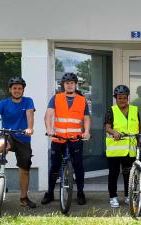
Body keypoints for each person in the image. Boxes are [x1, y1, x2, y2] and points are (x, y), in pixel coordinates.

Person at [0, 76, 36, 208]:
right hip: (8, 134)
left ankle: (24, 198)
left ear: (23, 90)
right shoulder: (4, 103)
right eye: (14, 88)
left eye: (20, 88)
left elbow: (30, 115)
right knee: (1, 145)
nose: (17, 90)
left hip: (23, 137)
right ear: (10, 90)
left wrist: (29, 128)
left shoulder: (28, 101)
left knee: (24, 170)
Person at [41, 72, 91, 205]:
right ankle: (50, 193)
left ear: (75, 84)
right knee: (55, 167)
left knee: (78, 166)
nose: (69, 85)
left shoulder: (82, 100)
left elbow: (86, 117)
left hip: (75, 139)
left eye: (72, 83)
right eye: (67, 83)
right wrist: (49, 129)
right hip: (58, 138)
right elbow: (48, 115)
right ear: (63, 85)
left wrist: (86, 131)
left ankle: (80, 192)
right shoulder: (55, 98)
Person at [105, 85, 140, 208]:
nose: (122, 100)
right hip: (115, 149)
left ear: (127, 98)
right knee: (113, 174)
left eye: (124, 98)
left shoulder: (135, 110)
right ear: (116, 98)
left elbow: (137, 127)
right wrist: (114, 132)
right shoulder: (111, 110)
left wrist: (138, 142)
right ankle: (113, 197)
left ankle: (127, 196)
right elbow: (107, 126)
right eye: (120, 98)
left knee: (128, 175)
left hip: (130, 150)